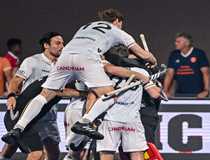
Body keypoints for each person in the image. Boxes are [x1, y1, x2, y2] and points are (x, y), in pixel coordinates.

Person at [2, 8, 157, 146]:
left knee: (44, 95)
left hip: (65, 57)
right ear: (117, 21)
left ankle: (18, 128)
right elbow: (142, 54)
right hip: (87, 59)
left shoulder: (86, 26)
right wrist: (152, 60)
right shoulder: (118, 31)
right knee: (110, 94)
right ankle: (86, 121)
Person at [93, 47, 162, 160]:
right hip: (132, 120)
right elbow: (155, 94)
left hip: (111, 119)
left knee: (106, 159)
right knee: (138, 159)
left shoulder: (103, 70)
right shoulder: (140, 71)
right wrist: (151, 77)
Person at [3, 32, 65, 160]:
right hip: (27, 113)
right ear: (46, 45)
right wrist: (12, 95)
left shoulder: (62, 66)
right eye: (57, 43)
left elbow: (63, 91)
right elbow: (16, 80)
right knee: (12, 152)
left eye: (62, 43)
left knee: (48, 154)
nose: (61, 46)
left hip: (48, 116)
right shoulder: (32, 61)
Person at [163, 33, 210, 98]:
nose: (175, 43)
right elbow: (169, 74)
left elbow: (206, 73)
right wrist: (165, 91)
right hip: (179, 93)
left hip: (198, 94)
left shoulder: (199, 53)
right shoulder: (174, 54)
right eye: (175, 41)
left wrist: (206, 91)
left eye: (178, 42)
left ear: (187, 43)